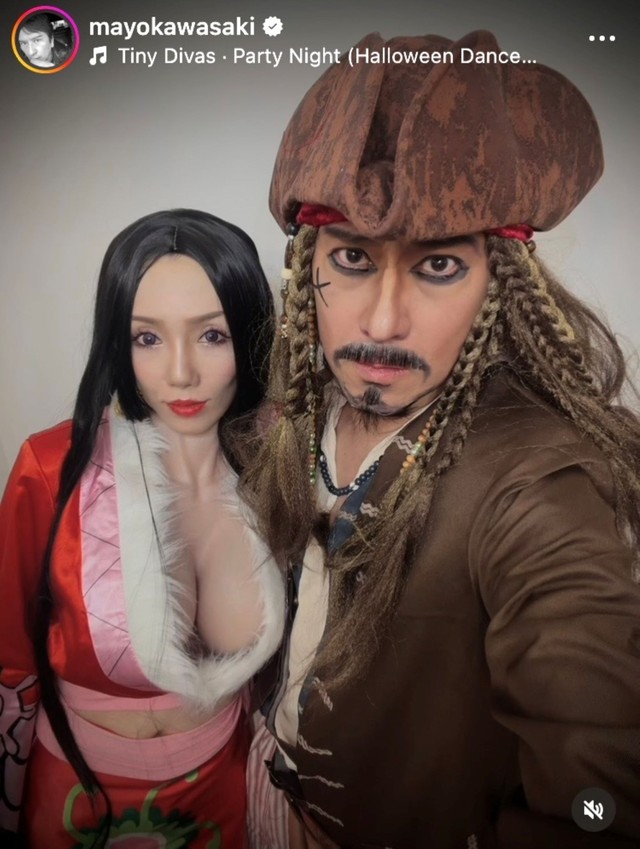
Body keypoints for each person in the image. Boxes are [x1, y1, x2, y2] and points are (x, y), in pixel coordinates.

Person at [241, 30, 640, 849]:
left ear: (500, 286)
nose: (383, 321)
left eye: (438, 267)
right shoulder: (297, 420)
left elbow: (600, 787)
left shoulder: (540, 485)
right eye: (353, 257)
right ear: (308, 266)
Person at [0, 209, 284, 848]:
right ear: (116, 342)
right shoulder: (51, 469)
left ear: (252, 332)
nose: (181, 373)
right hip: (77, 798)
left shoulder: (284, 464)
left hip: (227, 791)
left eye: (212, 335)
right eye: (147, 338)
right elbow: (8, 662)